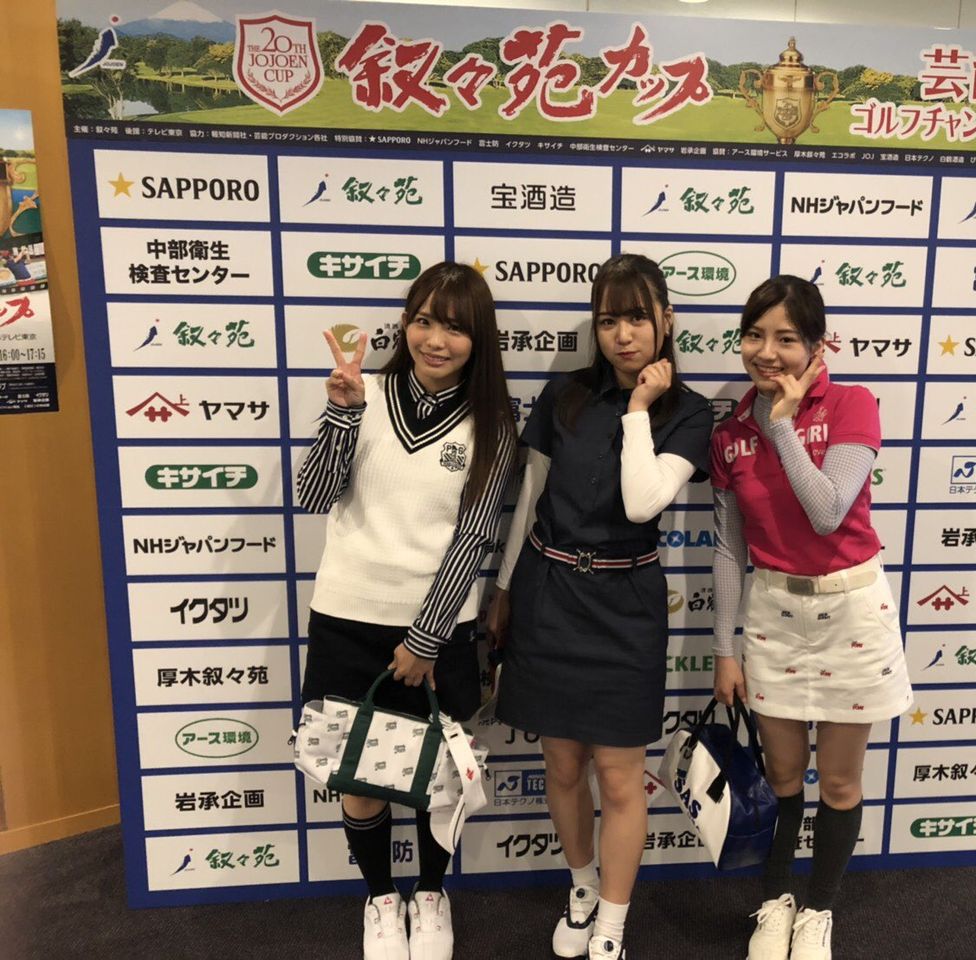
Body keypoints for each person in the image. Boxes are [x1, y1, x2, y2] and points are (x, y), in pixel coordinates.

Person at [486, 253, 713, 960]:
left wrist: (640, 410)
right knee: (561, 766)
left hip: (625, 607)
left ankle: (613, 918)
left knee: (618, 776)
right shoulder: (565, 394)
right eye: (609, 320)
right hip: (549, 594)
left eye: (638, 318)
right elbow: (531, 496)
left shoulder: (688, 411)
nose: (623, 334)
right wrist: (504, 589)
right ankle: (582, 886)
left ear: (667, 320)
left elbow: (644, 501)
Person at [296, 262, 516, 960]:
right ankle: (380, 901)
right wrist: (342, 412)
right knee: (358, 775)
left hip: (438, 628)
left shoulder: (494, 422)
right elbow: (313, 495)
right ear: (404, 325)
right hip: (346, 617)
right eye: (423, 321)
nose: (435, 340)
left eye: (455, 327)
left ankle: (430, 894)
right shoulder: (364, 392)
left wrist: (424, 639)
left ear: (478, 340)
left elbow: (474, 535)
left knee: (435, 778)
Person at [710, 276, 913, 960]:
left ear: (818, 347)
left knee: (842, 781)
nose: (766, 352)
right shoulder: (729, 432)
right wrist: (725, 649)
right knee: (784, 775)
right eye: (754, 335)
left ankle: (818, 910)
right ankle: (775, 902)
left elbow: (828, 512)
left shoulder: (853, 404)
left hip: (851, 610)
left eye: (786, 339)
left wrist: (782, 426)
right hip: (774, 614)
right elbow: (729, 549)